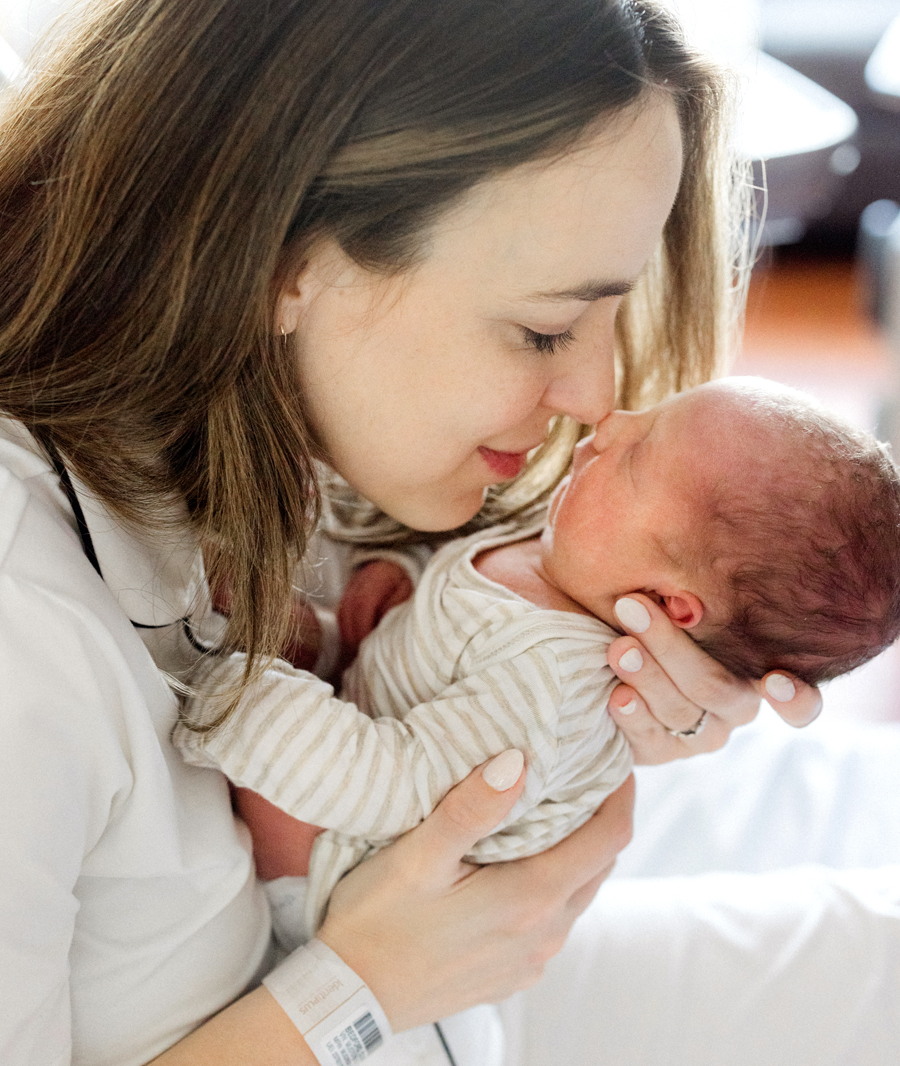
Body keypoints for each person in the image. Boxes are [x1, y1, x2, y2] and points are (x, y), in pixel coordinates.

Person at [0, 0, 867, 1066]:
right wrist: (363, 992)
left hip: (461, 991)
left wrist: (606, 712)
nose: (596, 400)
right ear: (288, 265)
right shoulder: (23, 637)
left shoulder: (269, 417)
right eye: (541, 331)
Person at [176, 376, 900, 947]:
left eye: (641, 453)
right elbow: (455, 624)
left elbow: (396, 787)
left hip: (350, 869)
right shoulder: (576, 560)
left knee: (272, 750)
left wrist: (237, 696)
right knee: (298, 637)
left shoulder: (553, 679)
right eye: (646, 412)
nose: (610, 424)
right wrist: (394, 594)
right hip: (372, 716)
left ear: (669, 604)